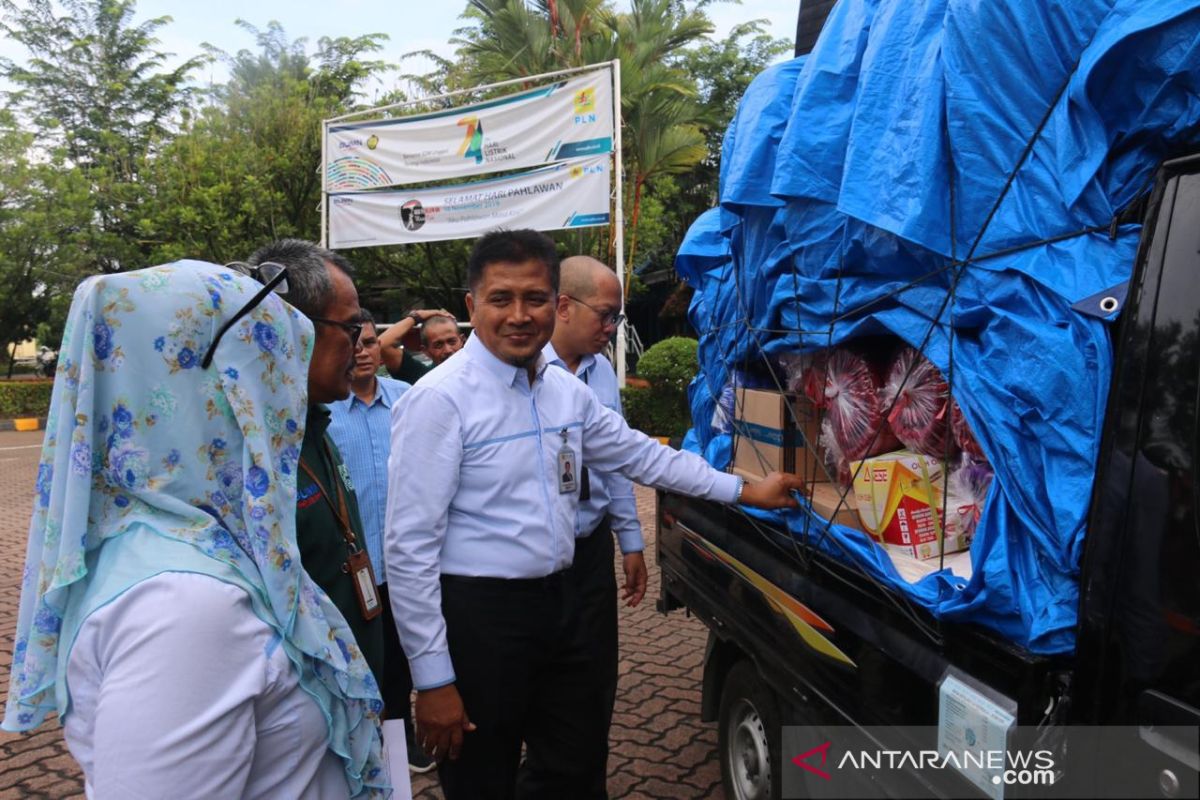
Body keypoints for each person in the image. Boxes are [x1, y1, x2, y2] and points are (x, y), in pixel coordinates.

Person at [383, 229, 805, 800]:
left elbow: (641, 455)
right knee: (483, 778)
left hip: (567, 608)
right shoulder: (438, 400)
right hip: (482, 620)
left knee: (575, 766)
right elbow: (409, 548)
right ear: (470, 307)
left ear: (554, 302)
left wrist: (741, 490)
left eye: (534, 298)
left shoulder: (564, 392)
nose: (518, 315)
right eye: (500, 299)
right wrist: (433, 679)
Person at [1, 261, 386, 797]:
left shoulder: (190, 541)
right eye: (271, 369)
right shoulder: (186, 609)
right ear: (212, 391)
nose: (283, 403)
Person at [245, 240, 387, 692]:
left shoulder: (313, 424)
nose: (360, 346)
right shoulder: (250, 457)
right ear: (293, 329)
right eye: (349, 330)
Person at [544, 255, 644, 795]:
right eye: (606, 316)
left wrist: (630, 540)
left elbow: (619, 459)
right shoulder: (525, 367)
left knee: (595, 682)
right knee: (540, 690)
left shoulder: (602, 370)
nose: (611, 329)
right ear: (564, 306)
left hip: (590, 554)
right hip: (535, 560)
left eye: (616, 319)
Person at [328, 311, 435, 775]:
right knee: (360, 662)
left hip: (406, 565)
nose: (364, 352)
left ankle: (401, 741)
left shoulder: (409, 398)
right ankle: (360, 745)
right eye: (355, 344)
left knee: (404, 660)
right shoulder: (323, 411)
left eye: (372, 343)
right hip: (352, 569)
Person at [378, 309, 464, 383]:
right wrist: (417, 317)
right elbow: (383, 344)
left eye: (452, 342)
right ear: (425, 351)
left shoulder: (476, 369)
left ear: (462, 341)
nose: (448, 350)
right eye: (438, 345)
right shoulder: (422, 376)